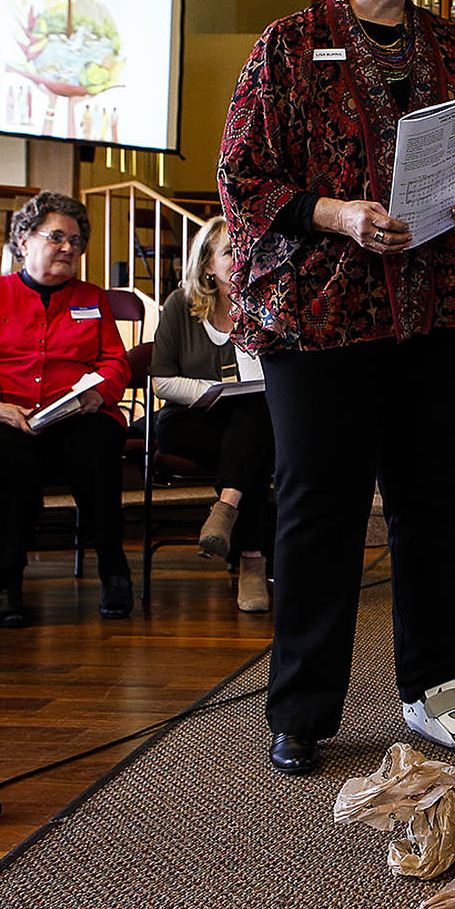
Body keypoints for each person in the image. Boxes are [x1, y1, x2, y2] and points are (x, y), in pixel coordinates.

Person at [219, 0, 455, 777]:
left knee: (434, 504)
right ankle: (305, 705)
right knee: (320, 508)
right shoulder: (285, 46)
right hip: (319, 318)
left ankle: (439, 687)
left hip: (432, 307)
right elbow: (242, 181)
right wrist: (340, 213)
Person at [0, 192, 133, 628]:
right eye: (56, 237)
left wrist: (97, 395)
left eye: (75, 241)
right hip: (3, 417)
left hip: (74, 416)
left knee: (98, 443)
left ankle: (113, 569)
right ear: (22, 239)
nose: (69, 248)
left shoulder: (92, 297)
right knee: (5, 452)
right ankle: (8, 582)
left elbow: (114, 361)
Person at [149, 217, 275, 614]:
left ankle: (228, 514)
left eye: (244, 247)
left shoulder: (265, 302)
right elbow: (161, 381)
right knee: (249, 455)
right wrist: (205, 391)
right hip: (192, 417)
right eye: (228, 250)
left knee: (253, 422)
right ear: (206, 265)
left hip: (253, 419)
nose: (241, 256)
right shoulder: (180, 305)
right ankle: (252, 557)